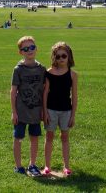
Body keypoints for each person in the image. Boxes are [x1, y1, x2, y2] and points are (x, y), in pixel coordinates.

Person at [11, 36, 46, 176]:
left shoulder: (41, 69)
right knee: (18, 138)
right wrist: (14, 112)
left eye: (32, 47)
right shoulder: (18, 69)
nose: (29, 50)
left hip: (36, 111)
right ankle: (18, 166)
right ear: (21, 52)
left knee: (34, 138)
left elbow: (44, 91)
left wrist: (43, 110)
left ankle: (32, 164)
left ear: (36, 49)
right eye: (25, 49)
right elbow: (13, 92)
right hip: (21, 111)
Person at [43, 42, 78, 177]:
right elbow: (45, 93)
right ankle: (47, 166)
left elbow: (74, 96)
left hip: (66, 111)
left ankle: (66, 166)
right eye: (58, 56)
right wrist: (44, 112)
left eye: (64, 55)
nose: (61, 59)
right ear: (54, 58)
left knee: (65, 137)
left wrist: (73, 115)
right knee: (49, 136)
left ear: (69, 56)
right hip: (51, 110)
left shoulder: (72, 75)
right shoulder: (48, 73)